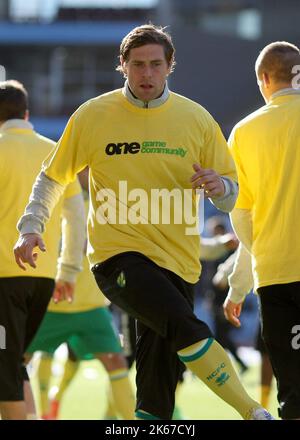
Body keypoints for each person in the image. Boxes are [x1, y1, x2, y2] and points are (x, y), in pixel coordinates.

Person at [14, 25, 273, 420]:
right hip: (118, 258)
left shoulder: (197, 119)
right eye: (137, 65)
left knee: (157, 395)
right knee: (186, 327)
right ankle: (252, 411)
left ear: (170, 66)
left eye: (155, 64)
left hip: (180, 266)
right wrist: (31, 226)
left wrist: (219, 185)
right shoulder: (93, 115)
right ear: (123, 66)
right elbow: (52, 177)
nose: (146, 74)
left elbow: (232, 194)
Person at [0, 80, 86, 420]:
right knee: (15, 363)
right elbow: (76, 219)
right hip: (44, 279)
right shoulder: (54, 152)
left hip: (3, 280)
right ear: (27, 114)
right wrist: (68, 271)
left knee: (5, 373)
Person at [223, 41, 300, 420]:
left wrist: (239, 284)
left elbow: (243, 218)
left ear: (265, 79)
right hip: (275, 272)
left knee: (293, 392)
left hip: (276, 276)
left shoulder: (244, 131)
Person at [26, 168, 135, 420]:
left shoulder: (109, 204)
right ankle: (43, 413)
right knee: (22, 358)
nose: (90, 173)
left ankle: (129, 423)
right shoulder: (56, 201)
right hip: (53, 303)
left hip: (92, 305)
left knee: (116, 363)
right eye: (85, 169)